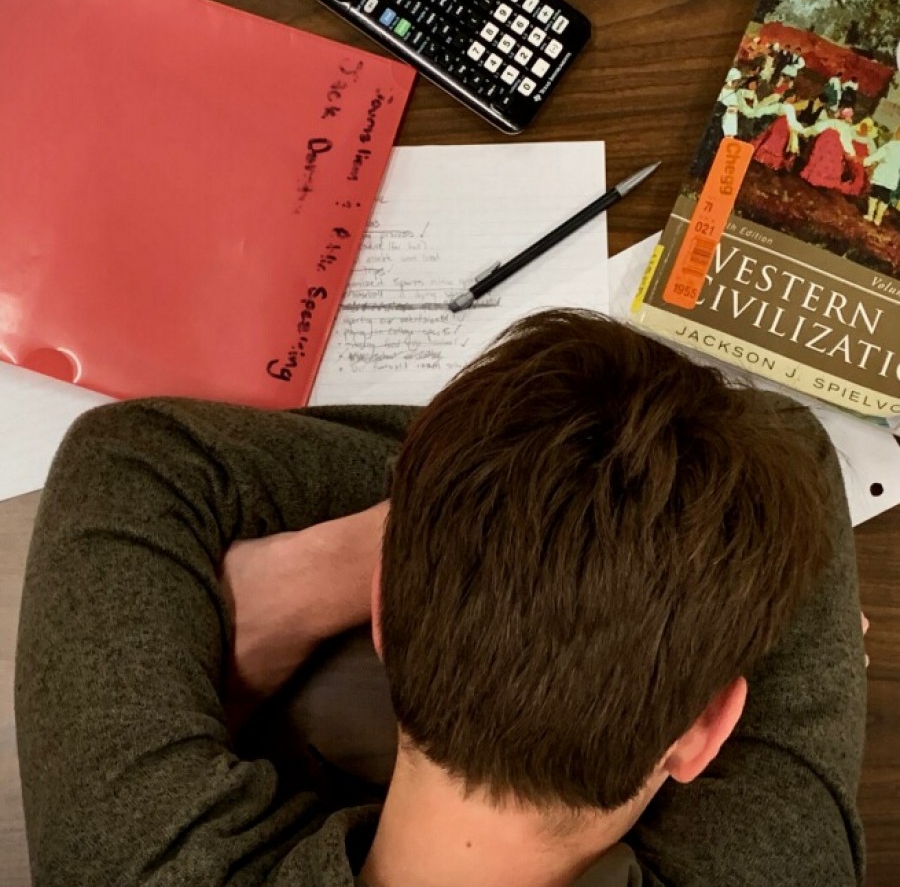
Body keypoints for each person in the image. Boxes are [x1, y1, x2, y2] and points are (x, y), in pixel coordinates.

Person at [15, 310, 866, 886]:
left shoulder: (140, 859)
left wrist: (416, 532)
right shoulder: (782, 861)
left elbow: (128, 459)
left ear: (383, 605)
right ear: (707, 731)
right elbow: (793, 447)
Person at [863, 126, 900, 225]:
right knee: (884, 195)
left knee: (875, 192)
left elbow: (878, 155)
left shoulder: (891, 145)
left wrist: (866, 161)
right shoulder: (891, 145)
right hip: (892, 176)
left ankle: (872, 215)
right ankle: (877, 218)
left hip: (883, 172)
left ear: (897, 133)